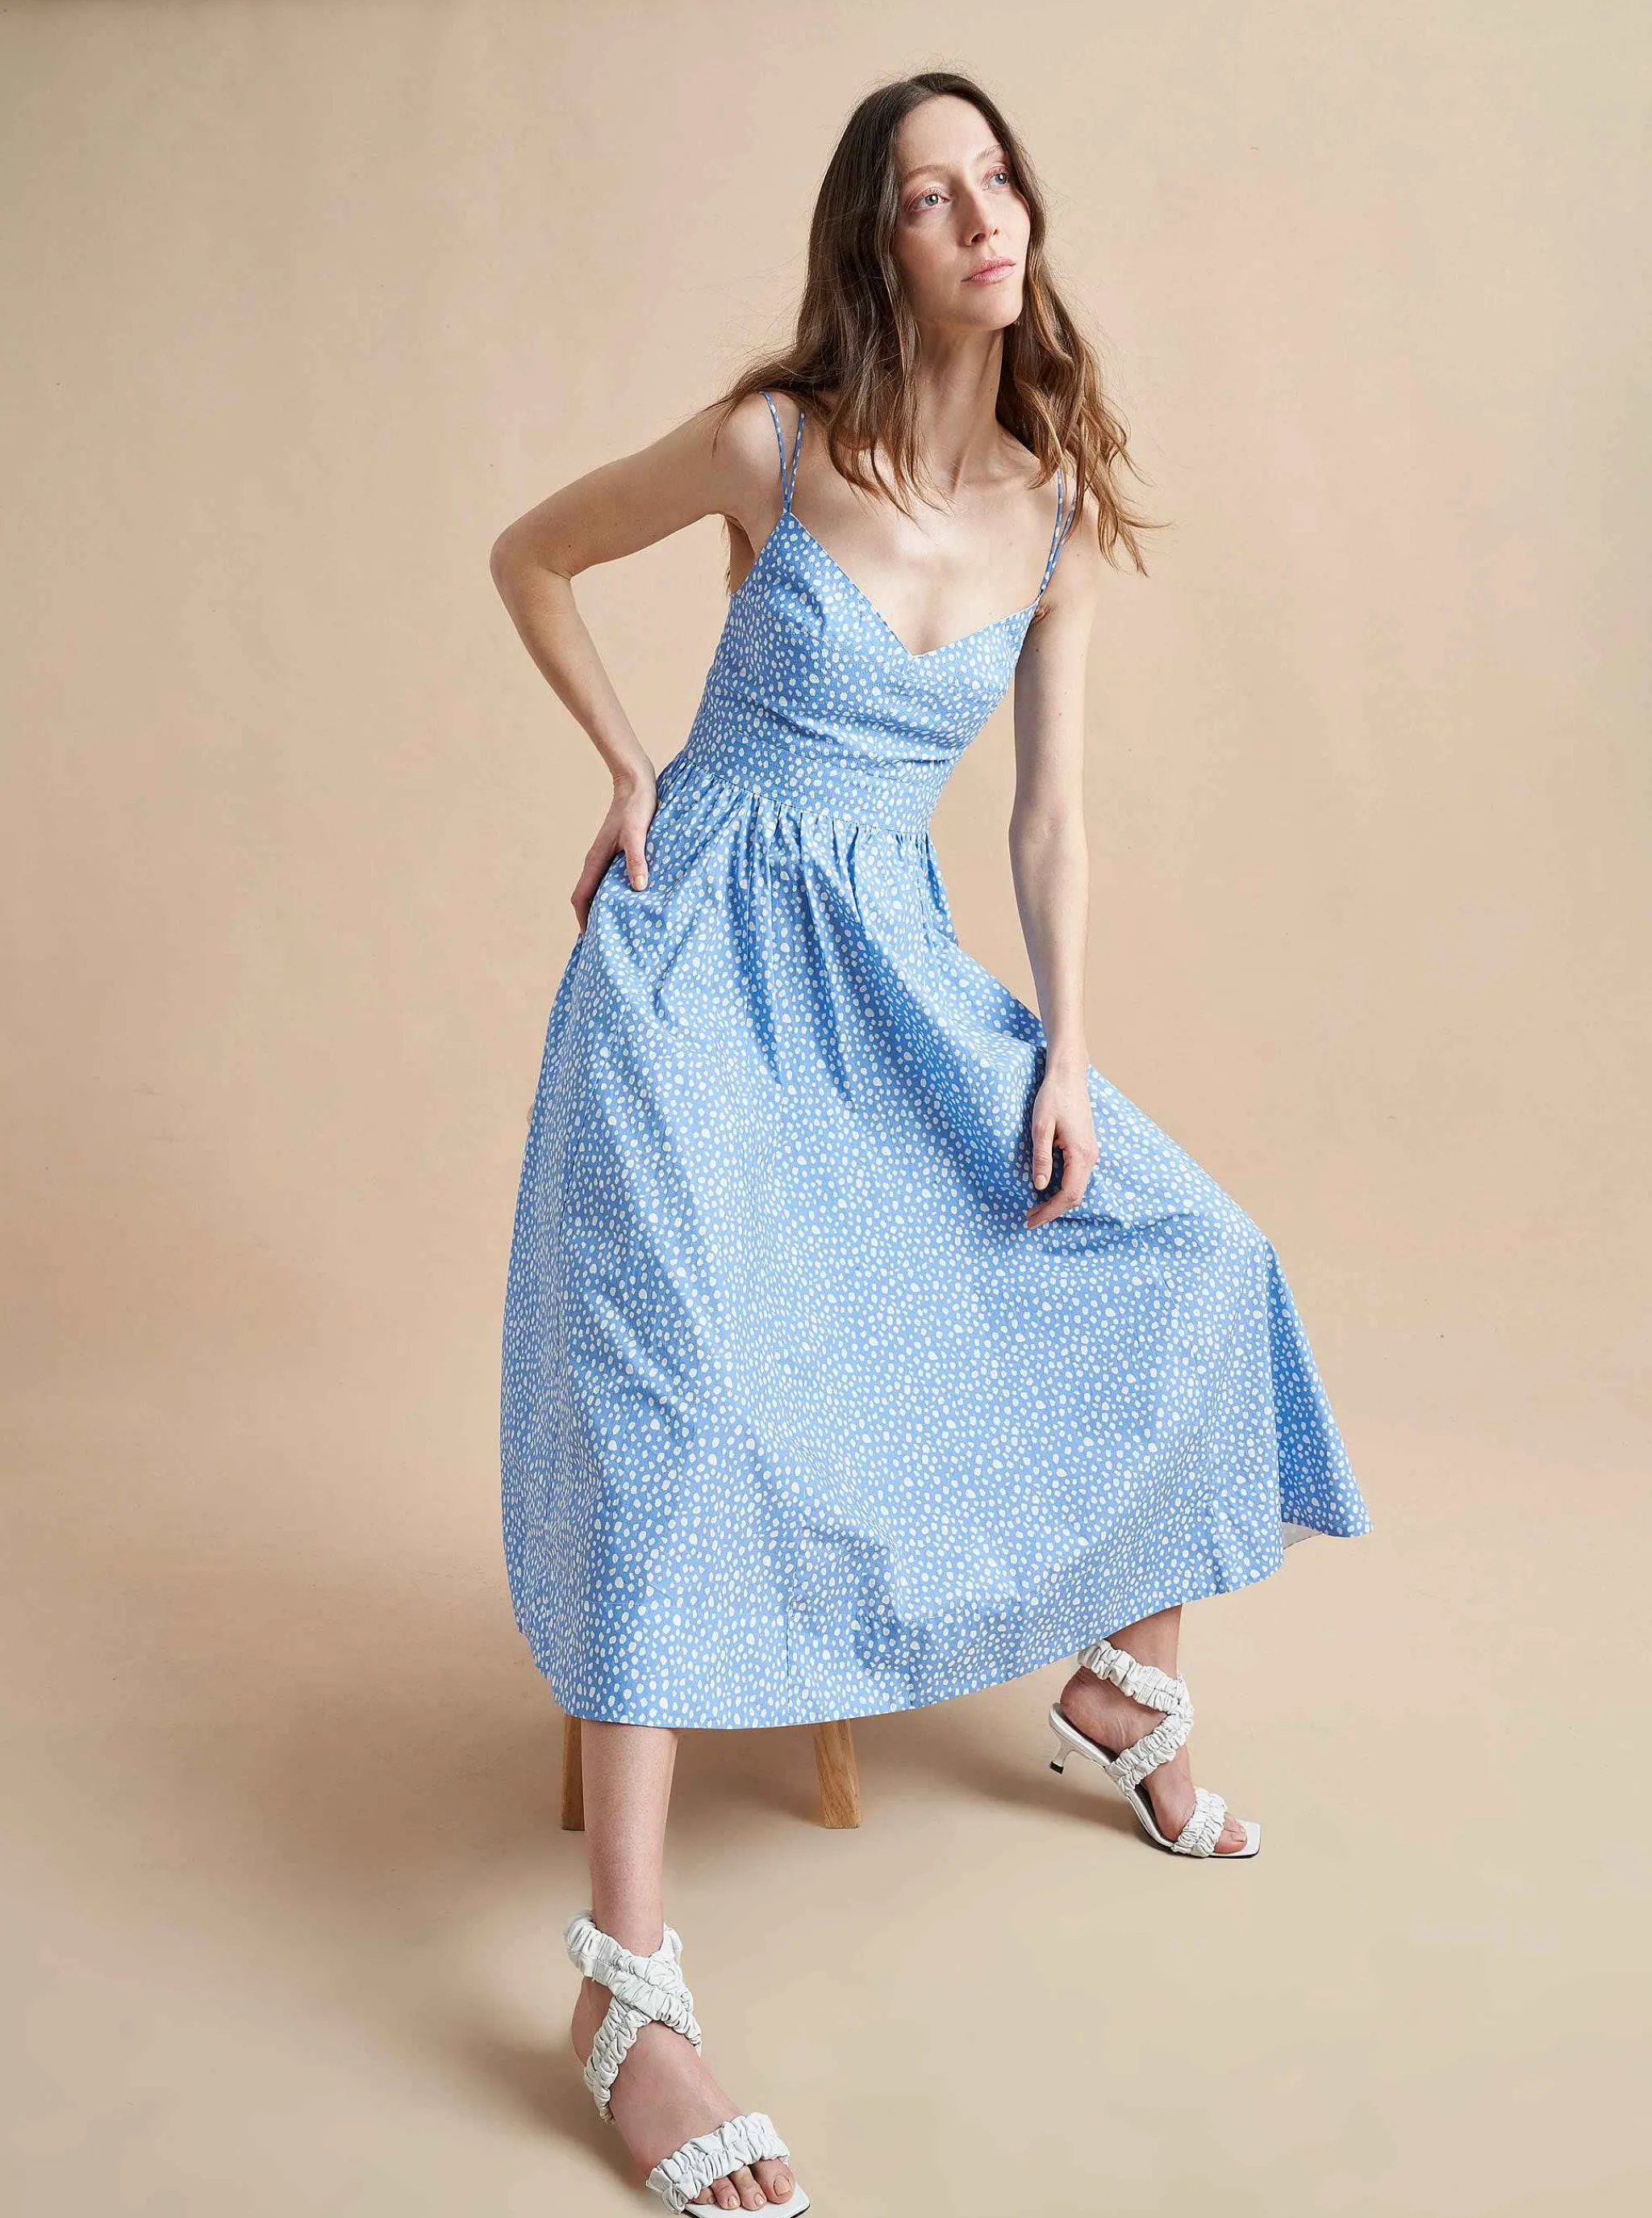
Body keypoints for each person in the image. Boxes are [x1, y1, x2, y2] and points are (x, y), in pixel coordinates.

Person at [488, 69, 1371, 2218]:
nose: (980, 215)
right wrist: (628, 767)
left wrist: (1066, 1050)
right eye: (926, 192)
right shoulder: (773, 443)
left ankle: (1128, 1692)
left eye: (997, 180)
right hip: (693, 967)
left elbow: (1046, 820)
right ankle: (628, 1993)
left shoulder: (1054, 511)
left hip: (885, 972)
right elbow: (533, 556)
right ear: (873, 243)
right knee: (677, 1397)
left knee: (1193, 1249)